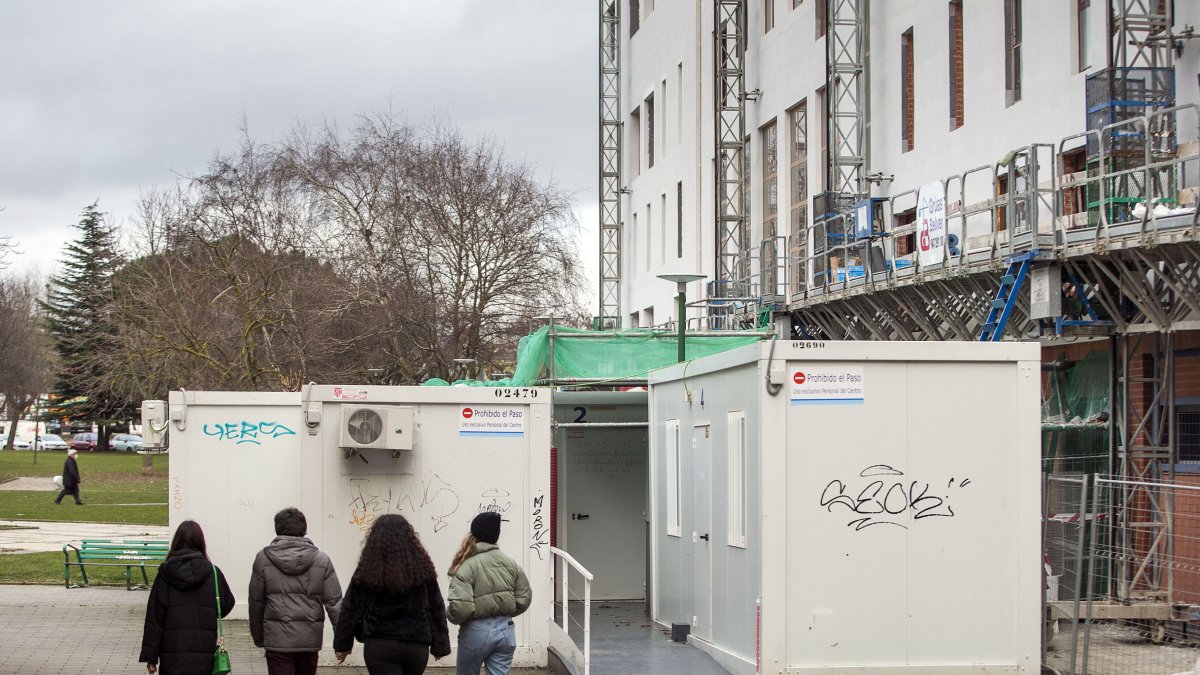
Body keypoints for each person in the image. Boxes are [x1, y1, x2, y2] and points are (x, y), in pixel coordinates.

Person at [334, 514, 451, 674]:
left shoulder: (368, 569)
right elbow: (435, 606)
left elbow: (351, 608)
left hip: (380, 644)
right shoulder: (422, 570)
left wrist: (343, 645)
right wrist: (440, 645)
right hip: (416, 645)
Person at [250, 507, 343, 675]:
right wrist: (342, 642)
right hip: (309, 640)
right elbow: (335, 602)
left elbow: (256, 602)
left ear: (277, 529)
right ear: (304, 530)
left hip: (277, 641)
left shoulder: (263, 559)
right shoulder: (322, 560)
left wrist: (258, 637)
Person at [140, 520, 236, 675]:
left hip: (172, 654)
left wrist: (150, 658)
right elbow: (226, 604)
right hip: (204, 652)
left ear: (176, 542)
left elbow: (154, 618)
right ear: (201, 542)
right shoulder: (213, 572)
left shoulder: (165, 574)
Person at [446, 512, 531, 675]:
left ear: (474, 535)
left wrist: (450, 615)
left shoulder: (466, 566)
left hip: (475, 632)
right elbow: (524, 598)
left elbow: (460, 608)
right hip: (506, 630)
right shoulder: (511, 563)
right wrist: (506, 612)